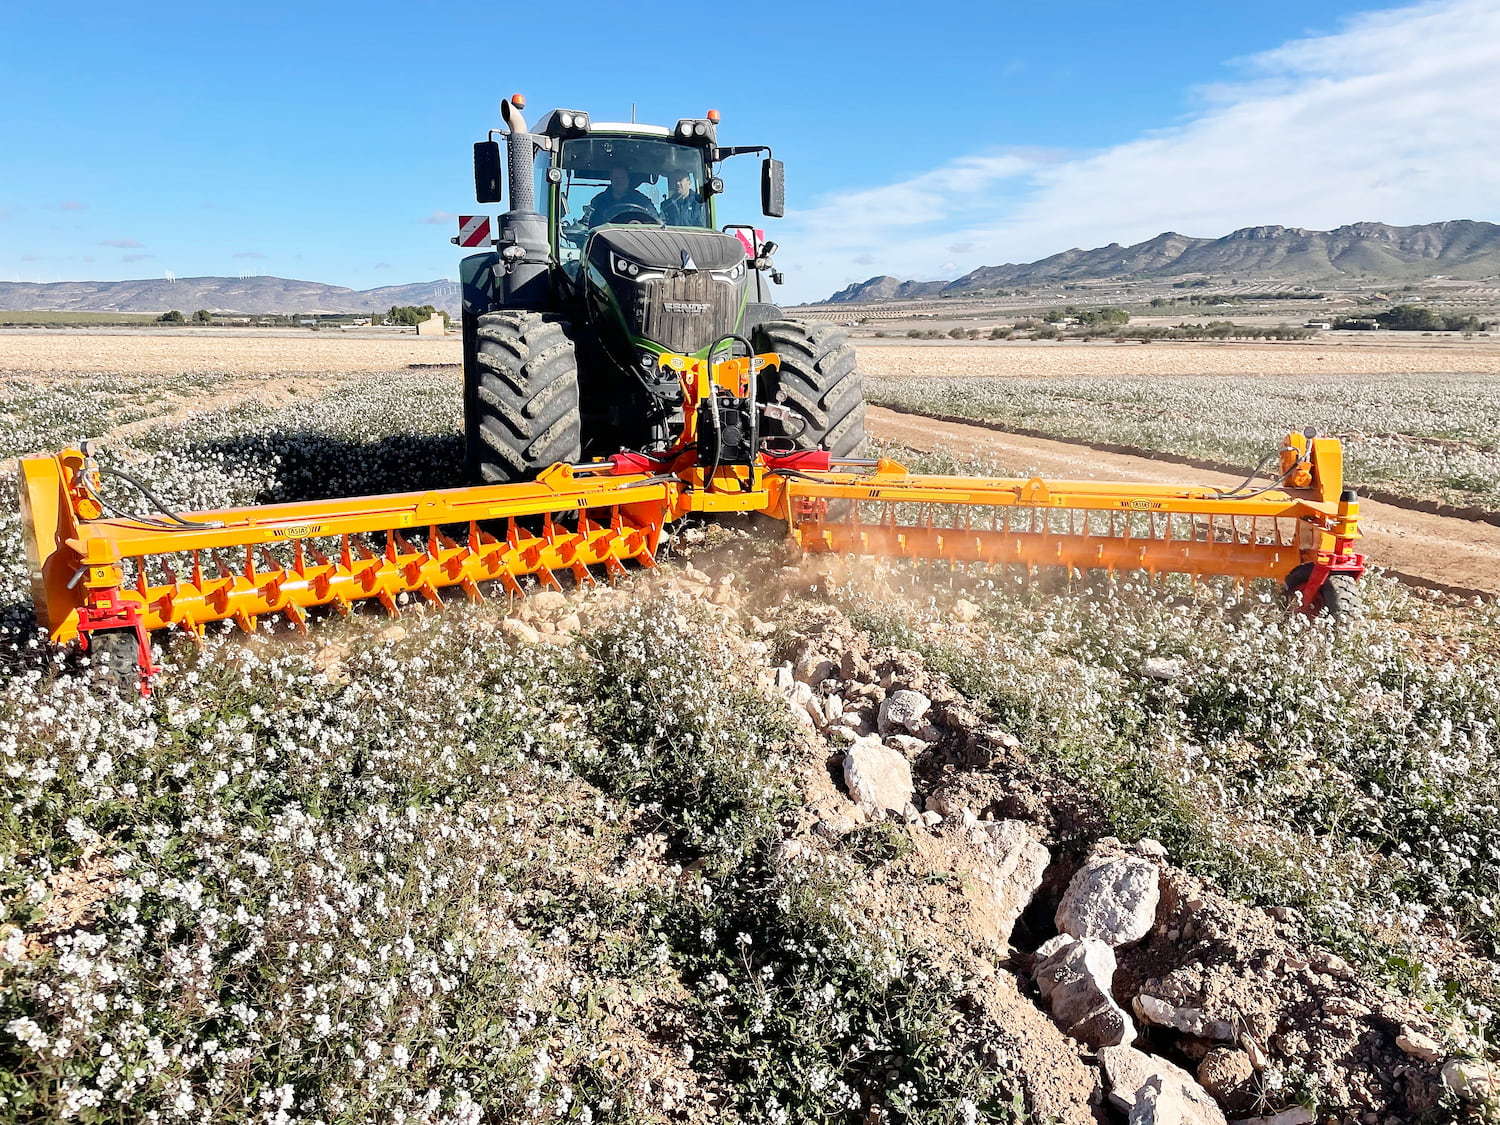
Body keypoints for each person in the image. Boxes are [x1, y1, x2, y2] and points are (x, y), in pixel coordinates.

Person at [584, 166, 657, 227]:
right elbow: (588, 224)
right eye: (616, 178)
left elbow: (655, 222)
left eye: (622, 178)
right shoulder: (599, 201)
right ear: (611, 179)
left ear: (628, 179)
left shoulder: (642, 201)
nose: (619, 181)